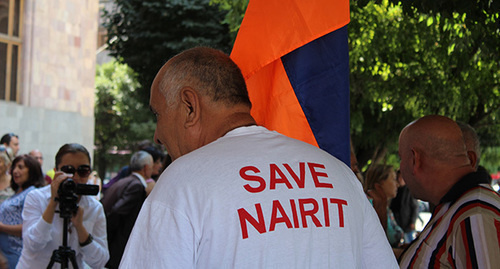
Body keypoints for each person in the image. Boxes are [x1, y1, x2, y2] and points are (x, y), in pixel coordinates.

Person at [119, 47, 398, 268]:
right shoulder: (340, 176)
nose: (157, 135)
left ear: (189, 106)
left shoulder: (181, 184)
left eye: (158, 114)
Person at [398, 115, 500, 268]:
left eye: (401, 158)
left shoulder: (475, 215)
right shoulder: (459, 207)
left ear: (414, 160)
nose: (399, 168)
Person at [17, 143, 109, 269]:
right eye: (68, 170)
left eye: (83, 171)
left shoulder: (94, 208)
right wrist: (53, 202)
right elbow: (33, 245)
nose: (75, 177)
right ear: (56, 171)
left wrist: (80, 228)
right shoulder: (36, 198)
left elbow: (100, 261)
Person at [101, 151, 153, 269]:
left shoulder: (122, 181)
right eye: (151, 167)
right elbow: (117, 211)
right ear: (145, 168)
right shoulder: (136, 186)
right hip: (117, 246)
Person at [0, 154, 44, 268]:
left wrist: (2, 227)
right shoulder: (17, 193)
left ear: (32, 170)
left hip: (17, 255)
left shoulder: (32, 193)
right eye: (14, 167)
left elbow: (31, 227)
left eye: (20, 167)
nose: (15, 171)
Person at [364, 164, 405, 247]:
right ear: (380, 183)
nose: (397, 184)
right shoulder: (371, 206)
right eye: (393, 179)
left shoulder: (384, 207)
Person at [389, 170, 418, 244]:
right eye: (397, 177)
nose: (399, 179)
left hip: (406, 223)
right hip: (396, 222)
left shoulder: (409, 190)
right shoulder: (395, 190)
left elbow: (415, 207)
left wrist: (412, 222)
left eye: (401, 177)